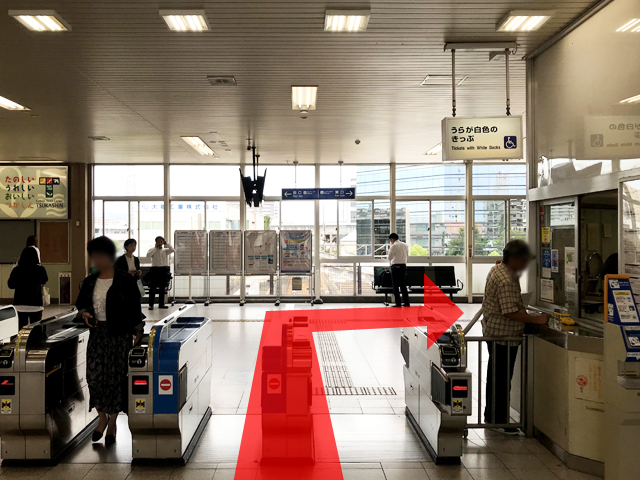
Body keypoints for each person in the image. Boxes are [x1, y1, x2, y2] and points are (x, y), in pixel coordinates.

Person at [76, 236, 143, 446]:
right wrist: (85, 313)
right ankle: (101, 416)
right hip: (98, 334)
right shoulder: (90, 281)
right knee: (94, 376)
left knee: (115, 378)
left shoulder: (125, 280)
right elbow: (82, 305)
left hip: (119, 335)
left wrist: (137, 332)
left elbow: (135, 309)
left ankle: (112, 422)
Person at [482, 239, 549, 433]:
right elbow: (509, 311)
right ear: (514, 259)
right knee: (501, 379)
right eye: (523, 260)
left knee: (496, 376)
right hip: (504, 335)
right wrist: (536, 320)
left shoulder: (498, 269)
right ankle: (499, 419)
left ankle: (493, 416)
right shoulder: (506, 280)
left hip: (494, 331)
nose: (525, 265)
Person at [8, 247, 48, 329]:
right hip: (36, 305)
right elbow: (45, 280)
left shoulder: (17, 270)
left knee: (21, 330)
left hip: (20, 304)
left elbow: (10, 285)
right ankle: (34, 342)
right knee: (36, 330)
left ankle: (22, 342)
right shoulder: (40, 269)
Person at [146, 236, 174, 310]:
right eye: (158, 241)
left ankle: (161, 304)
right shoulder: (152, 249)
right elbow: (148, 255)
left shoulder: (165, 250)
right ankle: (151, 305)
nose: (160, 243)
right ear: (156, 242)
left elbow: (172, 250)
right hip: (155, 270)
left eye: (161, 241)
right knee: (153, 288)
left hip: (163, 270)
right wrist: (155, 248)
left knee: (162, 288)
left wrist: (167, 243)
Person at [388, 233, 410, 307]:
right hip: (403, 266)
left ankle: (398, 303)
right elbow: (407, 255)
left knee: (396, 286)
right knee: (403, 285)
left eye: (390, 240)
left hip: (395, 267)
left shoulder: (393, 246)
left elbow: (389, 258)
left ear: (392, 239)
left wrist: (388, 253)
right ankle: (407, 303)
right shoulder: (405, 245)